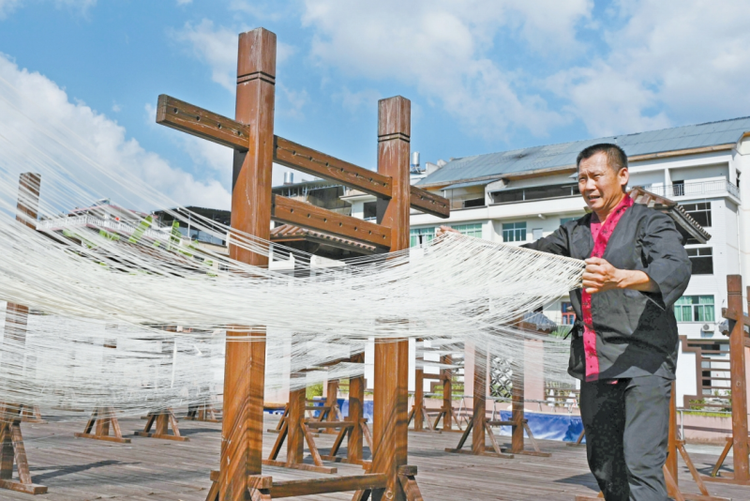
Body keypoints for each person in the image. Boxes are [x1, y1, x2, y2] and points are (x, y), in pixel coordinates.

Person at [439, 143, 691, 501]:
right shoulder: (573, 233)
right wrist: (471, 249)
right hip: (595, 361)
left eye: (596, 176)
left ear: (622, 176)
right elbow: (525, 257)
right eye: (581, 178)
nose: (588, 185)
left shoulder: (650, 222)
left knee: (641, 463)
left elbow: (675, 267)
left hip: (645, 361)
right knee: (604, 463)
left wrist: (621, 276)